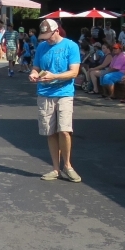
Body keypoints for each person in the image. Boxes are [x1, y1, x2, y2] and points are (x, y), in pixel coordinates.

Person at [30, 18, 82, 182]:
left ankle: (67, 166)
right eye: (43, 36)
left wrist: (55, 76)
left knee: (64, 130)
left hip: (64, 92)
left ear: (56, 31)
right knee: (50, 132)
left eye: (48, 35)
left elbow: (74, 72)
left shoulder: (70, 46)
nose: (46, 39)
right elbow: (36, 67)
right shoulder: (41, 47)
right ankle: (55, 168)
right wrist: (33, 73)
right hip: (45, 93)